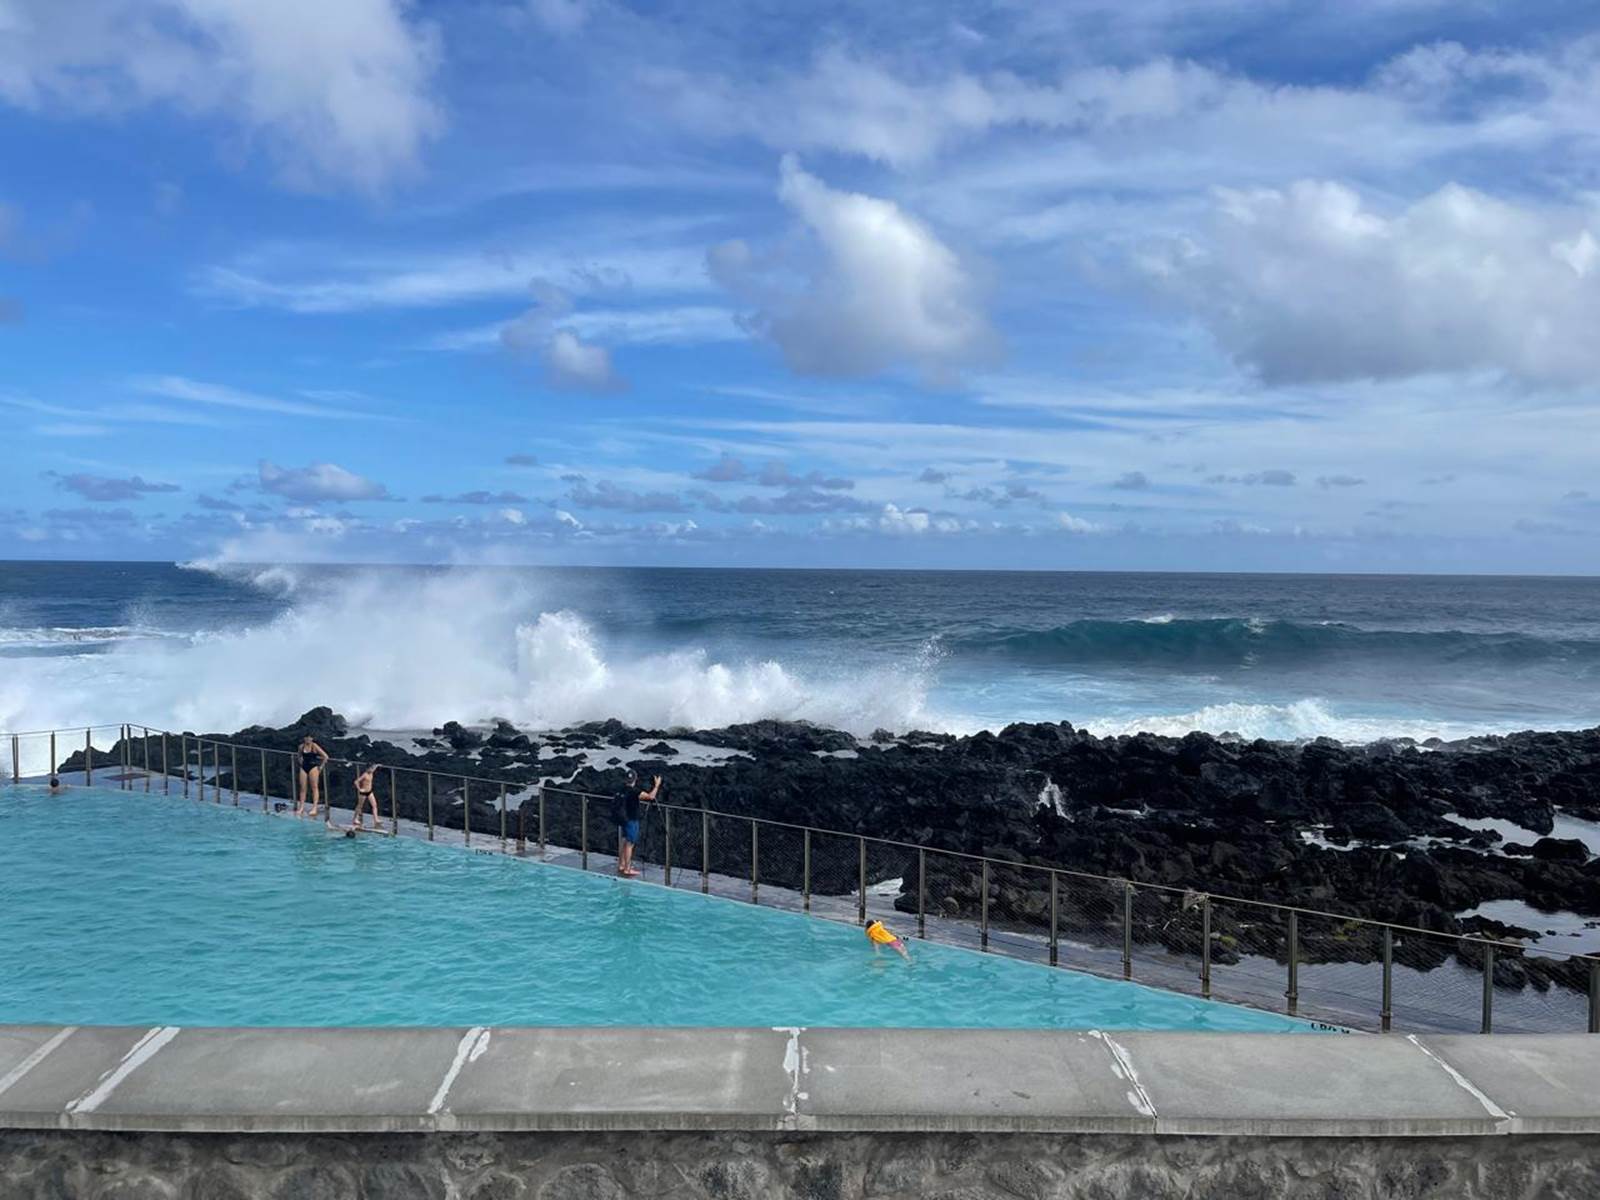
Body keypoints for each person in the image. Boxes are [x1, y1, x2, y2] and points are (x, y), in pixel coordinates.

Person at [613, 768, 661, 878]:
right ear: (635, 779)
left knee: (624, 841)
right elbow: (651, 797)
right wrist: (657, 785)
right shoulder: (634, 791)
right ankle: (627, 868)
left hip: (623, 819)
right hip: (632, 820)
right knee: (630, 844)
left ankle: (621, 864)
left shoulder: (621, 789)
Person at [295, 735, 330, 823]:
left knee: (314, 787)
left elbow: (325, 756)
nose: (308, 739)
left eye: (309, 738)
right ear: (304, 738)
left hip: (313, 767)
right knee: (302, 788)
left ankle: (314, 807)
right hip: (304, 767)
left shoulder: (314, 746)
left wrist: (321, 767)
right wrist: (300, 763)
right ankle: (301, 807)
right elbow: (299, 756)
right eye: (306, 737)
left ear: (312, 738)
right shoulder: (301, 746)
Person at [348, 762, 381, 833]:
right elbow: (356, 781)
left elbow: (374, 768)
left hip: (370, 791)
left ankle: (376, 819)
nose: (372, 770)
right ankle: (354, 819)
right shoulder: (365, 775)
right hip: (363, 792)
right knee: (359, 806)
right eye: (371, 768)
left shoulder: (371, 772)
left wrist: (377, 765)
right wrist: (359, 789)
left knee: (374, 805)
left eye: (372, 768)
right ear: (367, 768)